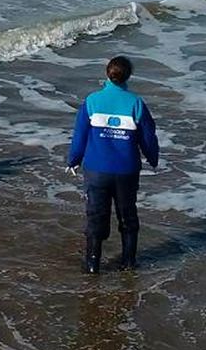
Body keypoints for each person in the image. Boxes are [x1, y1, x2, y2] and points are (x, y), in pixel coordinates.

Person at [66, 55, 159, 273]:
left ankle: (92, 264)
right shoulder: (135, 103)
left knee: (96, 215)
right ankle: (128, 262)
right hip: (126, 171)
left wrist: (73, 160)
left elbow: (79, 135)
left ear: (107, 74)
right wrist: (152, 158)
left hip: (97, 171)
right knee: (127, 216)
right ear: (129, 76)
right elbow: (148, 136)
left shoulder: (92, 101)